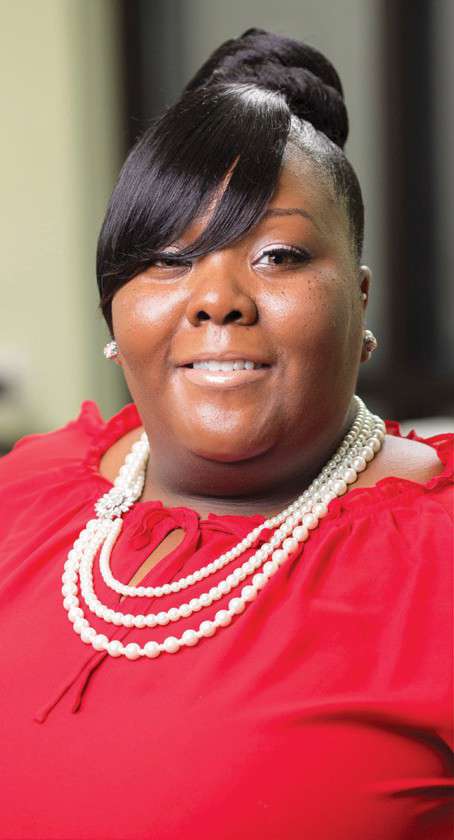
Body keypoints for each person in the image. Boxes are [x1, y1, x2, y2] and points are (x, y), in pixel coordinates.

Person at [0, 27, 452, 840]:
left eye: (278, 255)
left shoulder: (436, 562)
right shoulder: (21, 497)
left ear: (360, 297)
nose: (217, 299)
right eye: (168, 258)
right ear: (114, 310)